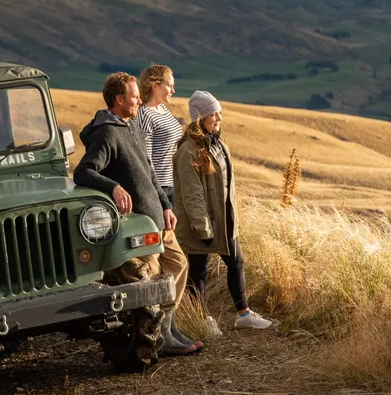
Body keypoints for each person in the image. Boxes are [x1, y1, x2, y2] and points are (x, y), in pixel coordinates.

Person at [74, 72, 202, 356]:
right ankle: (156, 334)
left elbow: (150, 174)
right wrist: (115, 187)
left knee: (179, 264)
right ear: (119, 100)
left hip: (157, 217)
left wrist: (166, 206)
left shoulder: (132, 127)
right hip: (136, 227)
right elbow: (83, 171)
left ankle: (166, 326)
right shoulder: (107, 133)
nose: (138, 101)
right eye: (134, 97)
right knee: (152, 277)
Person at [173, 90, 273, 334]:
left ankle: (244, 314)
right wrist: (202, 226)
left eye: (219, 113)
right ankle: (202, 320)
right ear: (199, 117)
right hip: (203, 222)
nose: (218, 118)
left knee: (237, 262)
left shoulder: (217, 142)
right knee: (198, 270)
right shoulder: (188, 150)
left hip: (224, 220)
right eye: (212, 113)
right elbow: (192, 193)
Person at [135, 64, 185, 206]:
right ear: (155, 85)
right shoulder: (144, 114)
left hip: (173, 185)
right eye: (169, 86)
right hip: (158, 189)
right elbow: (146, 159)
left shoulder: (163, 109)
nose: (173, 90)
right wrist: (157, 194)